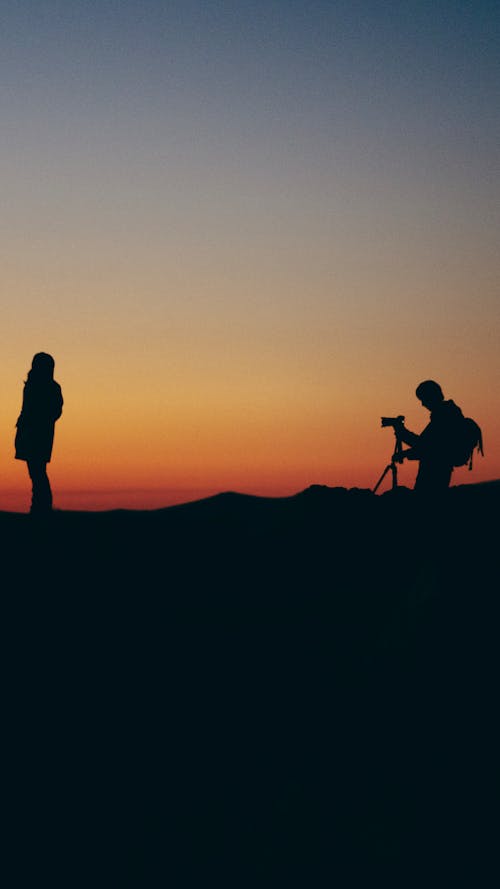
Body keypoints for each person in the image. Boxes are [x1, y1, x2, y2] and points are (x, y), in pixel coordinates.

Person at [392, 380, 463, 495]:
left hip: (434, 470)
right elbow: (426, 445)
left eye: (423, 399)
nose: (422, 404)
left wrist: (403, 435)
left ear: (431, 397)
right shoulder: (447, 413)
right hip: (440, 468)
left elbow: (426, 446)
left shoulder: (443, 416)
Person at [15, 353, 63, 515]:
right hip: (31, 433)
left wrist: (40, 420)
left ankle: (40, 508)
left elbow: (55, 411)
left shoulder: (50, 387)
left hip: (39, 434)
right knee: (36, 472)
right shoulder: (32, 386)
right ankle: (39, 507)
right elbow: (25, 410)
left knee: (38, 472)